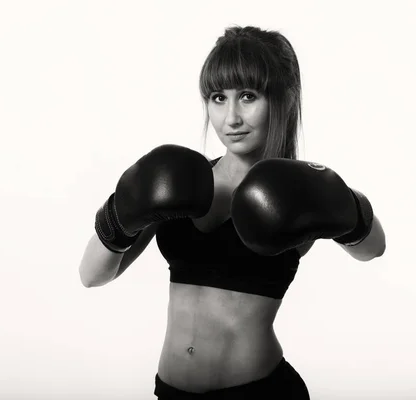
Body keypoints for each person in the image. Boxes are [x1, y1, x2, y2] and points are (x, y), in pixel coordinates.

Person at [79, 25, 386, 400]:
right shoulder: (180, 182)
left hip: (261, 394)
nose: (231, 118)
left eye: (248, 96)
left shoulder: (294, 192)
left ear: (283, 99)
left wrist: (342, 200)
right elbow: (91, 275)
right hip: (171, 393)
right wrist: (123, 205)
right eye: (218, 97)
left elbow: (373, 249)